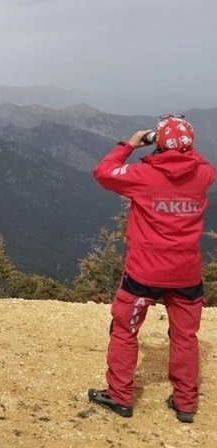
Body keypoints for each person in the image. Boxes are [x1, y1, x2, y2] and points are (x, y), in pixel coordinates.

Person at [88, 115, 215, 423]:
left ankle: (120, 397)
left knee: (125, 330)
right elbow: (197, 162)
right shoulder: (204, 175)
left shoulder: (143, 174)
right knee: (185, 336)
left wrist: (130, 144)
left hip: (143, 272)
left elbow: (103, 172)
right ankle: (185, 403)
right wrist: (180, 147)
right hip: (186, 272)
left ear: (158, 143)